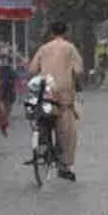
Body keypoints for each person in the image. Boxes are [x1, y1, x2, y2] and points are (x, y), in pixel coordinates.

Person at [27, 21, 84, 181]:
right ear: (66, 33)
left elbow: (32, 69)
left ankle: (42, 145)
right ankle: (64, 166)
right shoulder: (70, 48)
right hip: (63, 97)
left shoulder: (44, 48)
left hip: (44, 95)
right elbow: (79, 70)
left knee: (41, 120)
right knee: (67, 133)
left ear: (51, 33)